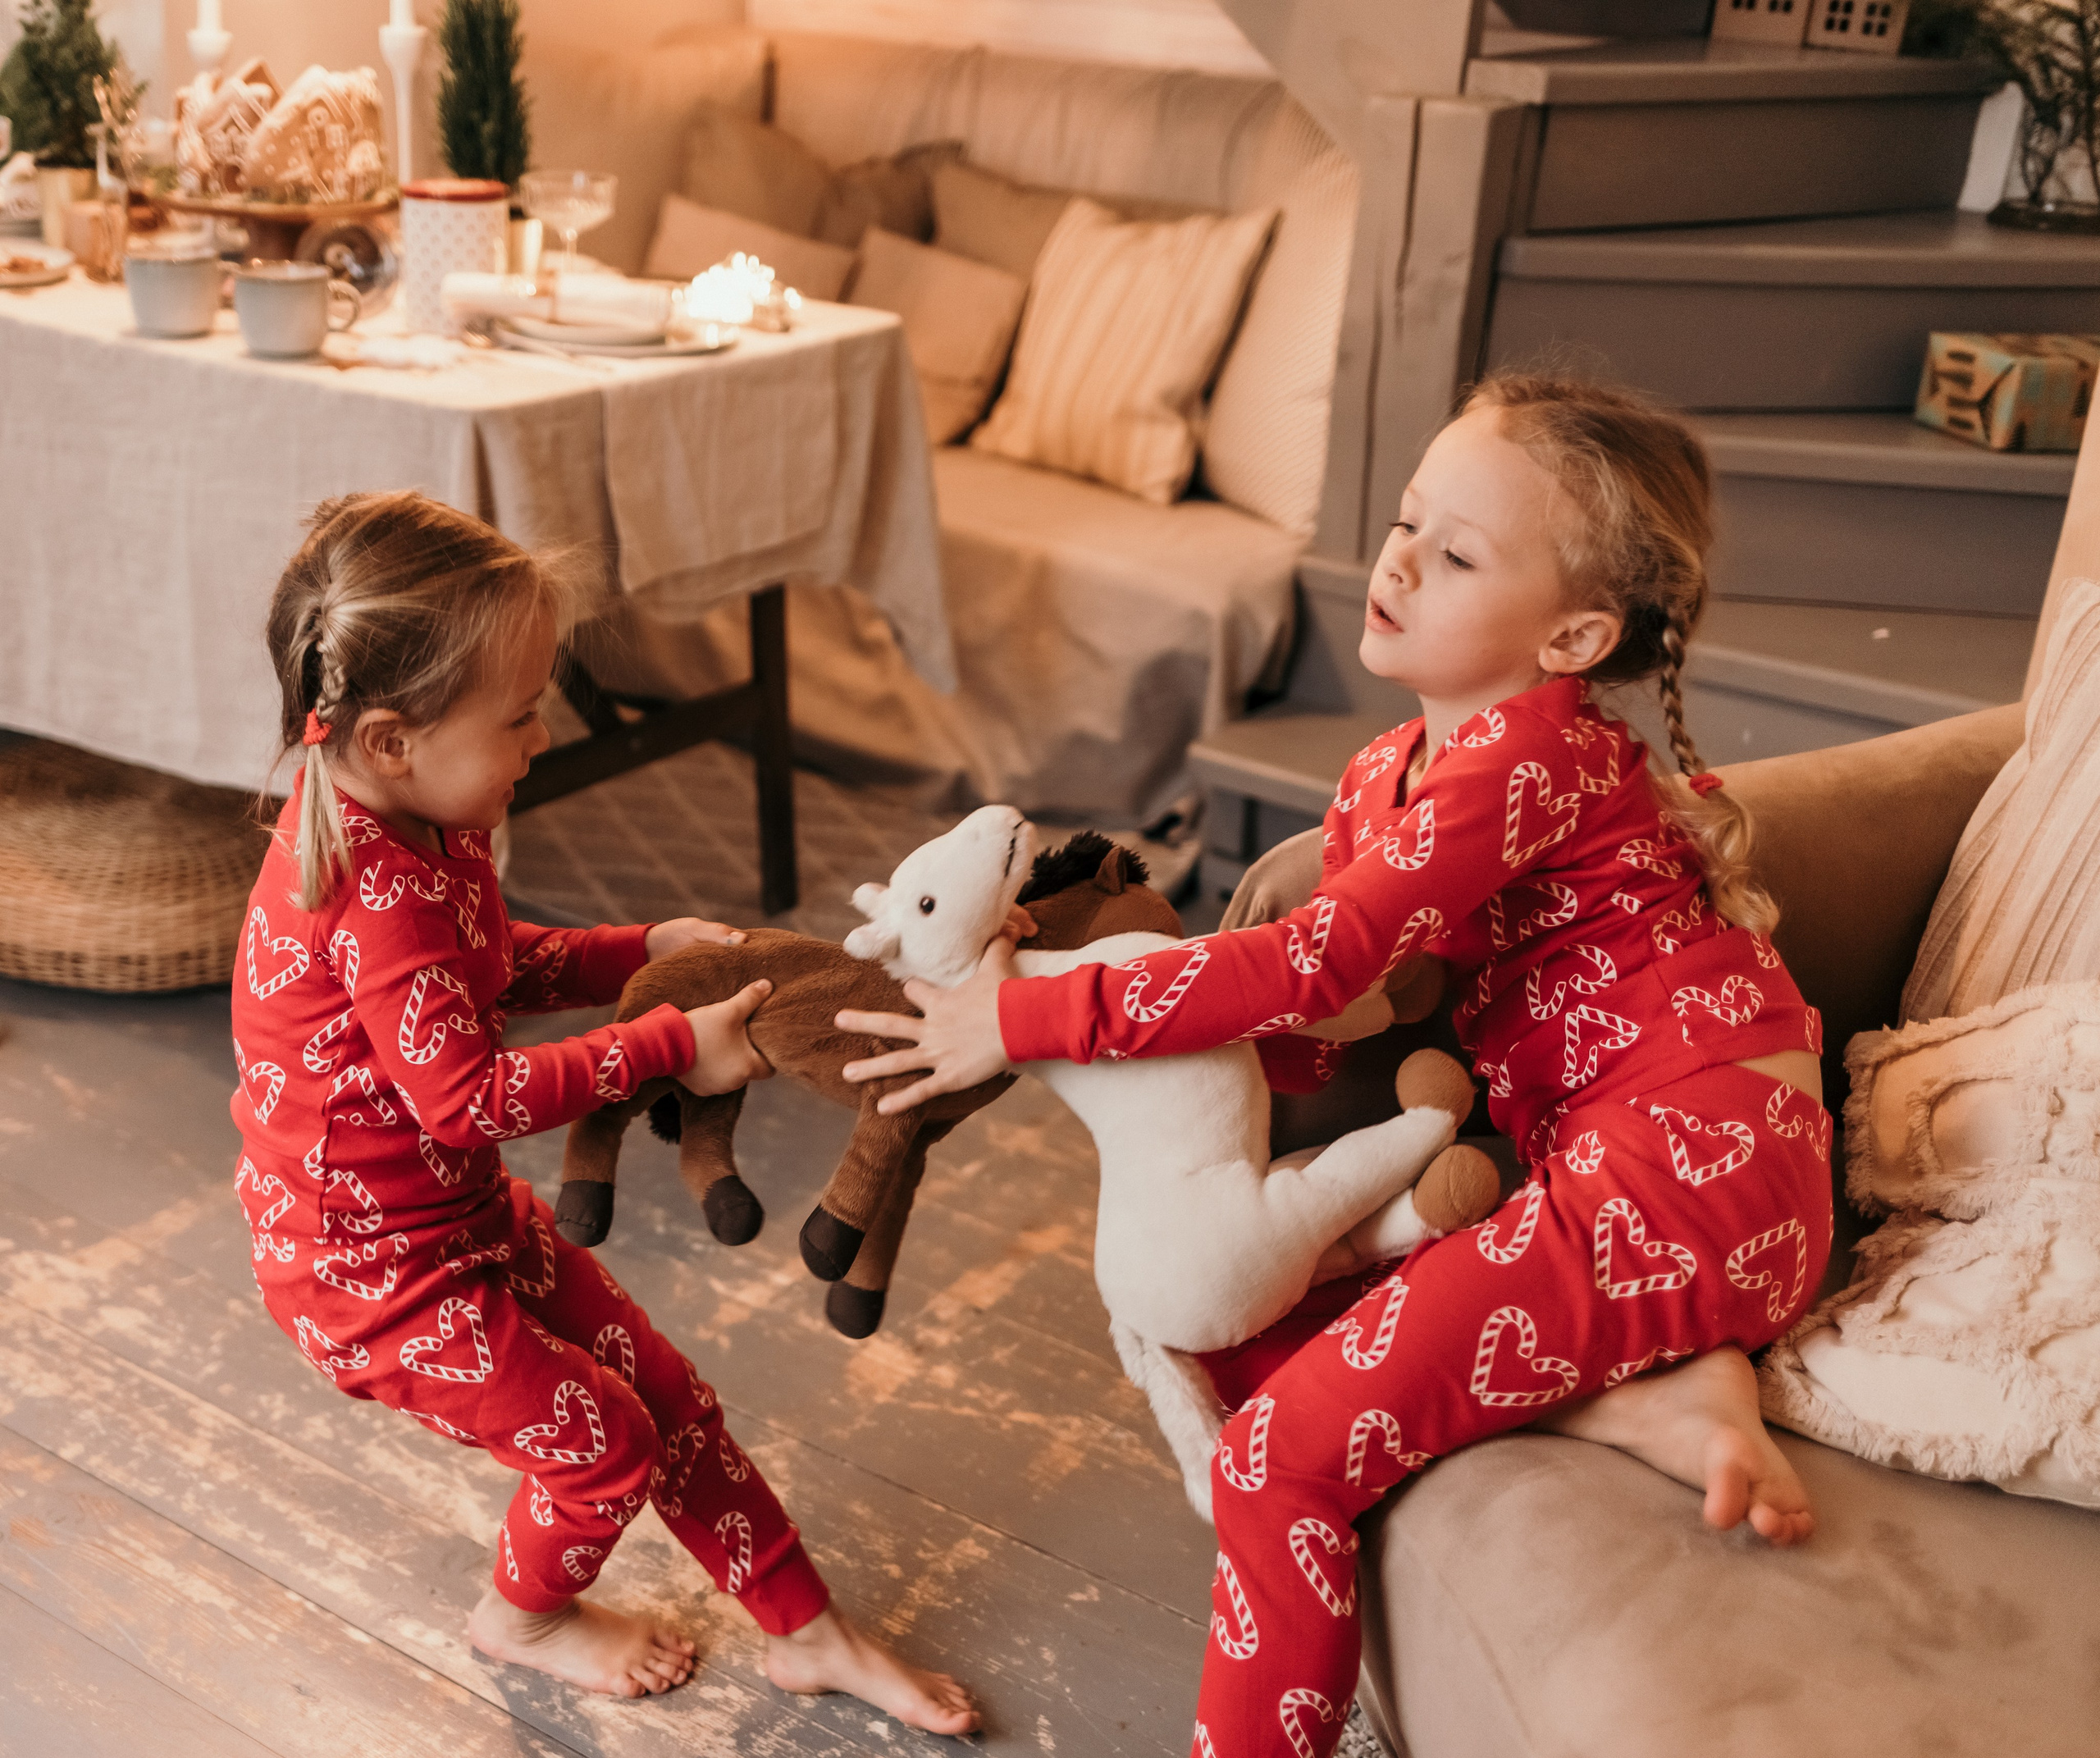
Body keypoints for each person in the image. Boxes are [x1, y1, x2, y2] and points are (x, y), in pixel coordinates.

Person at [835, 375, 1834, 1758]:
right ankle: (1670, 1395)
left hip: (1694, 1166)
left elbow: (1313, 959)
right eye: (1407, 519)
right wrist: (1063, 976)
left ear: (1576, 635)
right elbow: (1333, 1010)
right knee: (1259, 1325)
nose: (1401, 560)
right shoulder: (1388, 773)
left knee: (1271, 1462)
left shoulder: (1535, 754)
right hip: (1649, 1173)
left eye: (1460, 552)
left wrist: (1027, 1021)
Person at [231, 491, 977, 1733]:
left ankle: (810, 1633)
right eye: (520, 717)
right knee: (601, 1444)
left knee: (667, 1394)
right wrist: (670, 1042)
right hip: (368, 1275)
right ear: (393, 736)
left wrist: (635, 948)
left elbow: (487, 963)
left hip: (450, 1224)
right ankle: (520, 1618)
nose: (539, 738)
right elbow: (470, 1097)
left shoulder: (427, 826)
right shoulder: (376, 886)